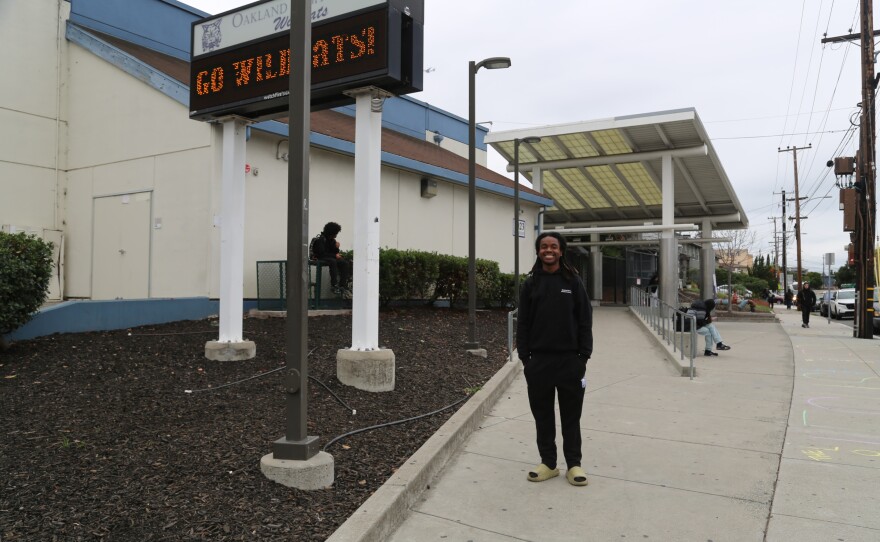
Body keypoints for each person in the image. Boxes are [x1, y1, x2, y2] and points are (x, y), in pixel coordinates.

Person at [516, 232, 593, 487]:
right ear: (538, 251)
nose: (548, 250)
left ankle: (574, 465)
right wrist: (526, 358)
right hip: (538, 363)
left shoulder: (573, 282)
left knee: (571, 417)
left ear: (561, 251)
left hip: (570, 362)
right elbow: (524, 323)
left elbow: (585, 320)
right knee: (543, 416)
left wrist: (583, 356)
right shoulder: (530, 284)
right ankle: (548, 463)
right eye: (544, 247)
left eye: (553, 247)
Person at [311, 222, 351, 296]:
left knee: (344, 262)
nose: (336, 235)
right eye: (335, 233)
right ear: (331, 233)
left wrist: (336, 248)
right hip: (319, 257)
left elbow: (334, 252)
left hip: (329, 257)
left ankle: (343, 285)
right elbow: (321, 254)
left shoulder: (332, 241)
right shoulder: (320, 240)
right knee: (332, 261)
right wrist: (335, 256)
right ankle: (334, 285)